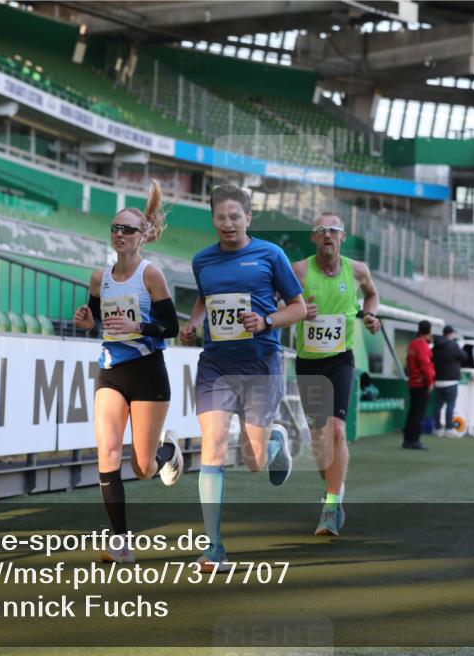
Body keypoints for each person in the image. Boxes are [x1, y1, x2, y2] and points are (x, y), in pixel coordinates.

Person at [179, 184, 307, 572]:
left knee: (253, 459)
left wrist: (265, 320)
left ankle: (275, 441)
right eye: (221, 217)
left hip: (260, 364)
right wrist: (194, 322)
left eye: (235, 217)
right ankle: (213, 547)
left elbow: (299, 308)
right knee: (213, 447)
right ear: (213, 220)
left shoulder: (270, 255)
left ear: (248, 218)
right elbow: (204, 298)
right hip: (216, 366)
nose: (228, 223)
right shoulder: (202, 260)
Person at [73, 180, 183, 564]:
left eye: (128, 230)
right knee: (106, 451)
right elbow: (95, 321)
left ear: (143, 236)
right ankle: (120, 541)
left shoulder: (151, 275)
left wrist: (139, 326)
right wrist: (87, 321)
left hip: (148, 372)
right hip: (111, 370)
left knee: (143, 467)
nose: (120, 235)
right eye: (115, 228)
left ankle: (169, 451)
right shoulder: (99, 278)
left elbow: (170, 327)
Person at [291, 212, 380, 537]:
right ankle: (334, 489)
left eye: (333, 230)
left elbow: (372, 295)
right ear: (313, 238)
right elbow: (280, 304)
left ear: (343, 236)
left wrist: (369, 315)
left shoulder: (357, 270)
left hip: (340, 359)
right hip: (308, 362)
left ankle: (330, 505)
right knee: (319, 440)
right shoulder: (299, 270)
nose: (327, 234)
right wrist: (300, 310)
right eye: (321, 230)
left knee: (337, 431)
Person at [403, 320, 435, 450]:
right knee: (418, 413)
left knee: (413, 412)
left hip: (413, 382)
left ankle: (408, 439)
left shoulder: (413, 343)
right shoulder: (422, 345)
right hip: (421, 383)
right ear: (429, 331)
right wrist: (430, 382)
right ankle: (414, 440)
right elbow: (425, 365)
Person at [432, 325, 468, 437]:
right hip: (451, 381)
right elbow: (464, 357)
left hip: (438, 380)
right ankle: (449, 429)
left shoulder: (436, 345)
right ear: (451, 333)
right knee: (450, 406)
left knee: (438, 406)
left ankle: (437, 428)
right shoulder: (453, 345)